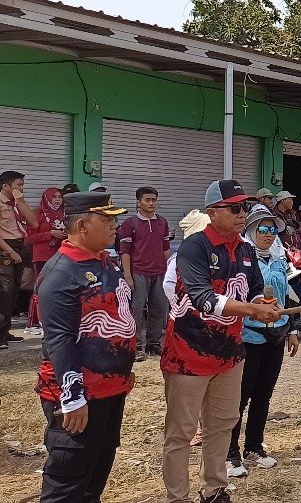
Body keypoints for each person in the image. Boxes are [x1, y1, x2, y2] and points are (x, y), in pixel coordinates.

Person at [162, 180, 281, 503]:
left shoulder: (244, 248)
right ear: (213, 212)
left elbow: (254, 285)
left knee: (223, 423)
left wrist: (263, 303)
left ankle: (214, 489)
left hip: (229, 353)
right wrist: (252, 309)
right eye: (235, 208)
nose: (243, 214)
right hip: (189, 354)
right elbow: (202, 298)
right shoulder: (194, 247)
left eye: (245, 207)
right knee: (182, 433)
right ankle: (178, 497)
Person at [34, 191, 133, 502]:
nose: (114, 225)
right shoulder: (63, 270)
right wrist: (73, 397)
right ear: (81, 225)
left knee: (94, 477)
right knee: (67, 485)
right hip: (80, 394)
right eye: (106, 219)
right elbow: (59, 338)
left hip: (109, 390)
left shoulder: (102, 260)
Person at [226, 205, 299, 478]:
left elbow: (285, 296)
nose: (268, 235)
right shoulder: (242, 260)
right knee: (240, 397)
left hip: (276, 335)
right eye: (263, 229)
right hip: (249, 336)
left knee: (263, 396)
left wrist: (290, 329)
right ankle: (230, 453)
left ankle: (254, 446)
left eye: (272, 230)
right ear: (250, 231)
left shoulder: (278, 259)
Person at [118, 186, 171, 361]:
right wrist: (127, 275)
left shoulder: (162, 222)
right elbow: (124, 251)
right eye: (147, 200)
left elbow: (165, 249)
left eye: (153, 200)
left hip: (160, 273)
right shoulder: (130, 224)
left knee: (159, 310)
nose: (151, 203)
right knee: (136, 310)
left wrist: (171, 271)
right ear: (138, 202)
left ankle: (153, 344)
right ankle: (135, 346)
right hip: (138, 273)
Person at [1, 170, 39, 347]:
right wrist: (10, 251)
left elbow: (34, 223)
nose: (21, 188)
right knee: (4, 290)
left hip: (20, 245)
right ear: (5, 186)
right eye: (18, 185)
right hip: (5, 249)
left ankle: (5, 331)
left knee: (15, 289)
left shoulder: (17, 203)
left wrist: (21, 202)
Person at [25, 187, 66, 335]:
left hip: (61, 256)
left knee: (57, 288)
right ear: (46, 198)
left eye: (60, 197)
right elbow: (29, 238)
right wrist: (51, 234)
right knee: (40, 289)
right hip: (42, 257)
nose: (57, 199)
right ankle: (34, 321)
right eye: (54, 196)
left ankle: (51, 319)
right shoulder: (38, 215)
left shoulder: (63, 214)